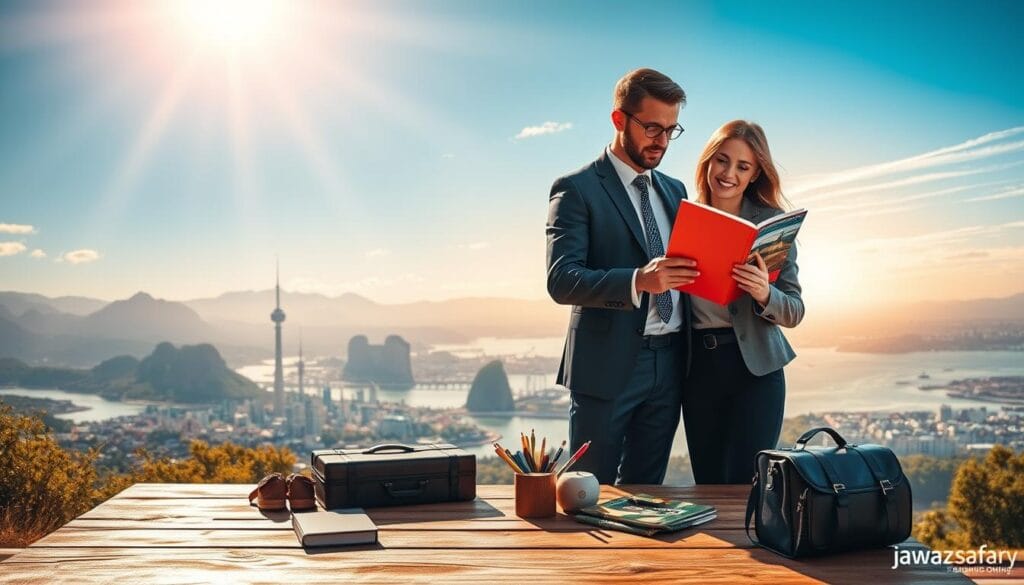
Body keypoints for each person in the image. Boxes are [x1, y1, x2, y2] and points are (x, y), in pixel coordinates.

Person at [546, 68, 698, 485]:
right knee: (587, 491)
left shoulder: (676, 190)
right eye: (652, 128)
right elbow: (562, 279)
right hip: (607, 366)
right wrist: (637, 281)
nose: (662, 141)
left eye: (671, 130)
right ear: (619, 120)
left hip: (670, 363)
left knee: (648, 492)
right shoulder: (576, 188)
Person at [681, 120, 805, 484]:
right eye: (722, 160)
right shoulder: (683, 217)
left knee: (745, 486)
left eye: (743, 166)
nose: (729, 173)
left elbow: (795, 310)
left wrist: (765, 293)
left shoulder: (772, 225)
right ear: (708, 162)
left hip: (757, 373)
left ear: (754, 175)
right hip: (698, 370)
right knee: (708, 484)